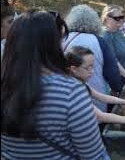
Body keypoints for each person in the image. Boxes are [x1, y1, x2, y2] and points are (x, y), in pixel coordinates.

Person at [1, 10, 110, 159]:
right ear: (52, 45)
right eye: (61, 40)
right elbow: (93, 155)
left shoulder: (5, 86)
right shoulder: (71, 92)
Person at [63, 4, 125, 113]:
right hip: (97, 97)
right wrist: (117, 88)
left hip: (68, 98)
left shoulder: (62, 39)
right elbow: (112, 71)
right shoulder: (99, 41)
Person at [65, 46, 125, 132]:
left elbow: (102, 97)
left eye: (92, 66)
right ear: (73, 69)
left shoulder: (80, 83)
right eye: (87, 68)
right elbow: (100, 116)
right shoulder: (74, 90)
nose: (92, 71)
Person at [100, 5, 125, 87]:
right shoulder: (105, 35)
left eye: (122, 17)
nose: (121, 20)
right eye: (117, 18)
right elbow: (112, 60)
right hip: (116, 80)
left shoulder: (117, 32)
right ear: (107, 18)